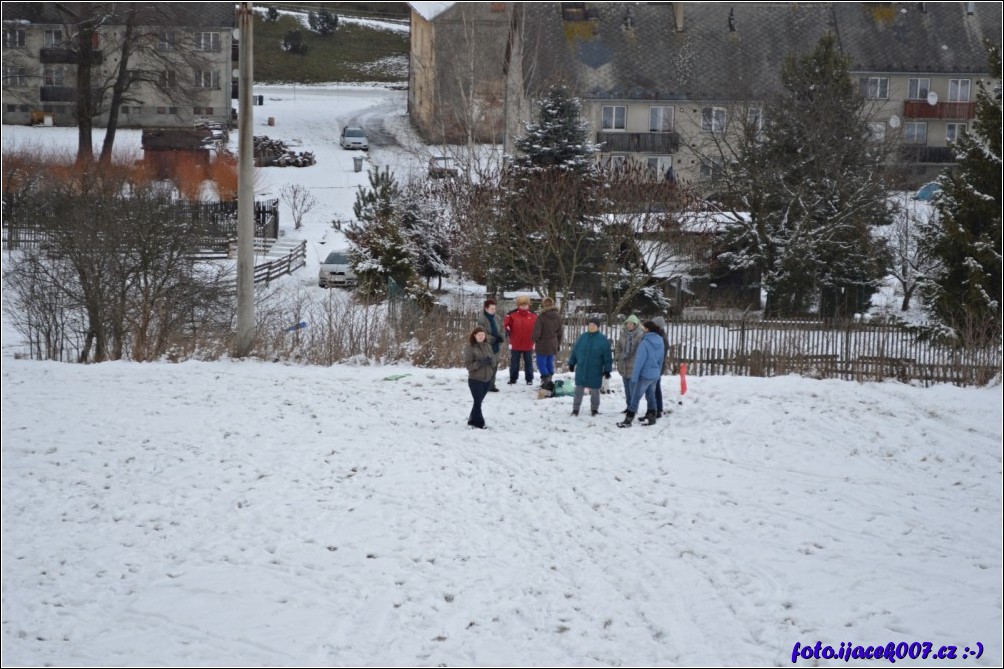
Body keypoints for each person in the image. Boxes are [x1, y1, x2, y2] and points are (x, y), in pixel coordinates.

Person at [618, 320, 665, 428]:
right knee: (651, 395)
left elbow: (639, 363)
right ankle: (651, 417)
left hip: (644, 375)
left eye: (643, 328)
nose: (642, 330)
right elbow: (661, 359)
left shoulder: (645, 343)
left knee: (635, 397)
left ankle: (628, 420)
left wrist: (634, 378)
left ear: (647, 329)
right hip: (654, 374)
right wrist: (658, 372)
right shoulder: (660, 340)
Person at [567, 317, 613, 417]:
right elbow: (575, 351)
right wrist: (572, 363)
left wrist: (607, 370)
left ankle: (594, 409)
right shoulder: (583, 337)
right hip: (582, 368)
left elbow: (607, 356)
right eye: (590, 325)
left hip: (595, 369)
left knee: (595, 391)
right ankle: (575, 409)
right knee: (579, 390)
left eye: (594, 325)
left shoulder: (602, 339)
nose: (591, 327)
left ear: (598, 327)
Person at [463, 327, 495, 429]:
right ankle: (480, 423)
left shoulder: (488, 346)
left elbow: (494, 362)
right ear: (474, 336)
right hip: (475, 380)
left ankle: (471, 421)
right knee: (477, 402)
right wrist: (479, 363)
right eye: (479, 335)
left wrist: (491, 361)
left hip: (487, 380)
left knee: (478, 402)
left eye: (483, 335)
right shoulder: (470, 348)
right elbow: (468, 366)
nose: (481, 336)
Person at [504, 295, 538, 385]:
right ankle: (513, 378)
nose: (524, 307)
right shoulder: (512, 314)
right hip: (516, 342)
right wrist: (507, 331)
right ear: (518, 305)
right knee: (514, 362)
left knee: (528, 362)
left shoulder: (534, 315)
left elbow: (538, 327)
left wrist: (537, 336)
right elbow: (506, 324)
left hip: (528, 343)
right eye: (522, 305)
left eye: (526, 305)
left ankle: (529, 379)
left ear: (528, 305)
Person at [614, 314, 644, 413]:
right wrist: (618, 356)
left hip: (634, 366)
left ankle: (633, 408)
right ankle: (628, 407)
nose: (629, 325)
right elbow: (618, 346)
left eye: (631, 324)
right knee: (627, 389)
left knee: (633, 389)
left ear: (636, 325)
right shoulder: (623, 334)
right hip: (624, 364)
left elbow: (643, 350)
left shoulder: (641, 335)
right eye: (628, 323)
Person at [531, 296, 562, 391]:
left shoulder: (542, 316)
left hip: (542, 343)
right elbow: (560, 332)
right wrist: (558, 344)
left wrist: (535, 339)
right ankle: (549, 381)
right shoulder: (558, 316)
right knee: (549, 362)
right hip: (553, 343)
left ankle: (546, 381)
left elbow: (537, 332)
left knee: (541, 363)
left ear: (544, 305)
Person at [475, 299, 504, 391]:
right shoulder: (482, 319)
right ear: (486, 309)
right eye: (491, 309)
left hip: (496, 346)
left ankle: (491, 385)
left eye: (494, 308)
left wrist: (501, 337)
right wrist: (493, 339)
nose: (493, 310)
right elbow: (481, 333)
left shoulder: (497, 318)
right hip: (486, 346)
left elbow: (502, 329)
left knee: (494, 365)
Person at [650, 315, 671, 419]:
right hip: (654, 367)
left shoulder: (661, 337)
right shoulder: (656, 335)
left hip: (657, 367)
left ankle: (658, 409)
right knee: (652, 389)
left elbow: (659, 355)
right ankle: (654, 409)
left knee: (655, 388)